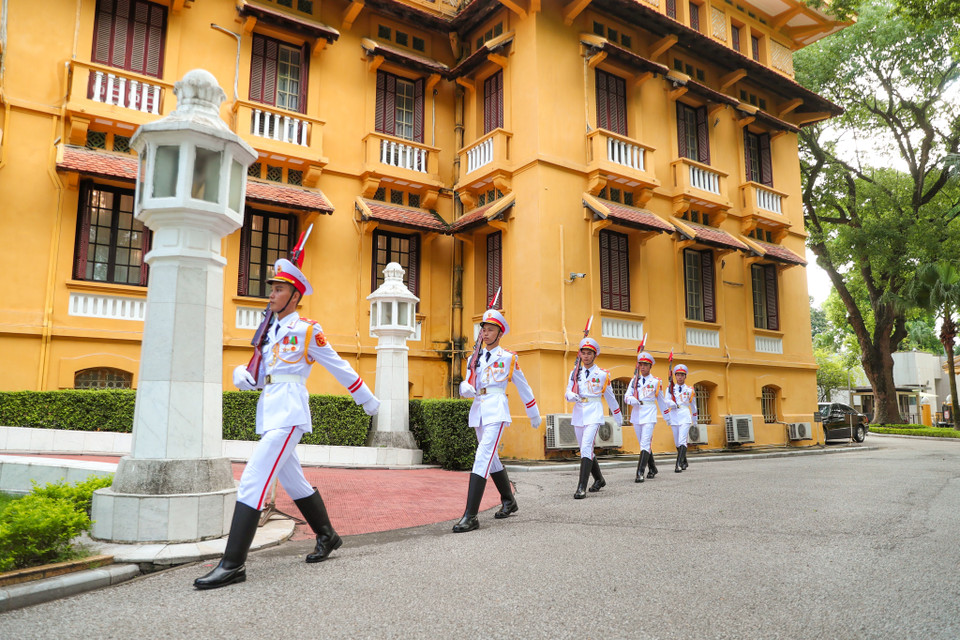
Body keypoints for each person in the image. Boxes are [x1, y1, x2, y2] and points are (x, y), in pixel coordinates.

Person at [195, 258, 380, 590]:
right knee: (294, 482)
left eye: (279, 289)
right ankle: (327, 535)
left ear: (295, 296)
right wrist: (244, 377)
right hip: (271, 409)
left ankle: (232, 564)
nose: (271, 295)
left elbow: (336, 364)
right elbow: (263, 375)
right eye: (272, 289)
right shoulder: (269, 331)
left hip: (290, 412)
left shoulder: (307, 330)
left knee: (253, 479)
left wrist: (365, 398)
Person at [455, 309, 540, 532]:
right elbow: (469, 383)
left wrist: (533, 413)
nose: (485, 333)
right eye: (483, 329)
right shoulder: (474, 358)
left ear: (500, 333)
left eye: (490, 330)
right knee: (491, 459)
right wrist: (465, 387)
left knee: (482, 456)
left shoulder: (508, 358)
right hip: (479, 410)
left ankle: (470, 516)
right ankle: (509, 501)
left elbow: (523, 386)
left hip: (496, 409)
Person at [564, 337, 621, 498]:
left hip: (594, 412)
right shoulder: (575, 372)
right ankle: (599, 479)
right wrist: (571, 395)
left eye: (589, 353)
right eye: (583, 353)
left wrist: (618, 416)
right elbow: (568, 392)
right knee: (585, 448)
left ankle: (581, 487)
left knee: (587, 447)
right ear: (580, 354)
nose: (586, 356)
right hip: (579, 412)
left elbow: (610, 397)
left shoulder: (602, 374)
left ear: (595, 355)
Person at [624, 351, 675, 483]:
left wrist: (667, 417)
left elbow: (661, 401)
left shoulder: (656, 382)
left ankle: (640, 472)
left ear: (650, 366)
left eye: (645, 365)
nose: (642, 367)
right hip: (637, 414)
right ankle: (652, 468)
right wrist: (631, 400)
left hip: (649, 413)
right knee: (643, 443)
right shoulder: (634, 380)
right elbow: (626, 396)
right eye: (641, 364)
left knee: (645, 442)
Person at [667, 364, 697, 472]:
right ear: (675, 376)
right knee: (677, 442)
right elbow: (666, 400)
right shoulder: (670, 388)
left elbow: (693, 406)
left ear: (685, 376)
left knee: (682, 440)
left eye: (682, 375)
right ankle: (684, 461)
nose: (680, 377)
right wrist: (671, 403)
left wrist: (695, 420)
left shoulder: (690, 390)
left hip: (684, 415)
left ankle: (678, 464)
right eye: (678, 375)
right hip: (674, 415)